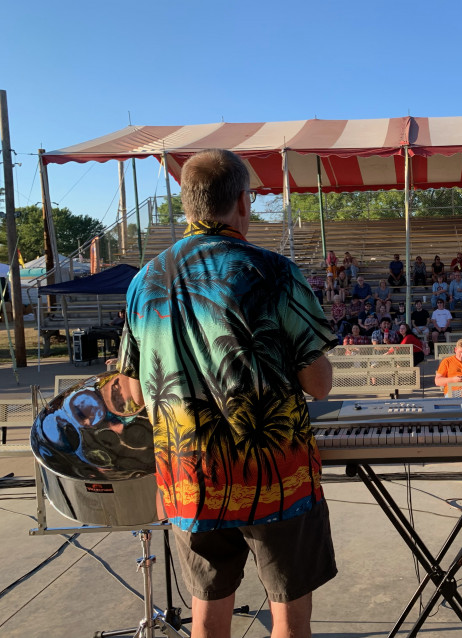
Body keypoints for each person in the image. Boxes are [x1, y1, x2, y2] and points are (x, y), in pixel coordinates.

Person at [118, 149, 336, 637]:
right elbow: (317, 384)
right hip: (275, 477)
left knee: (207, 620)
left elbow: (133, 391)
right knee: (288, 623)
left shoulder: (143, 282)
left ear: (187, 204)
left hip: (188, 481)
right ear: (243, 201)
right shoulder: (274, 271)